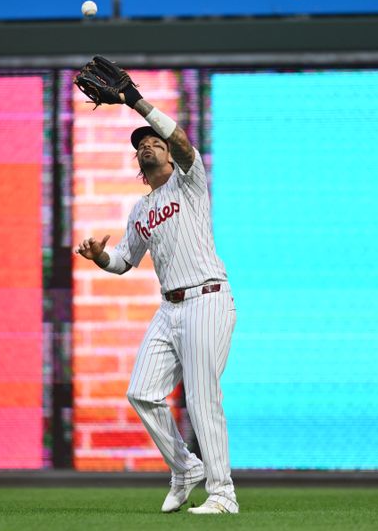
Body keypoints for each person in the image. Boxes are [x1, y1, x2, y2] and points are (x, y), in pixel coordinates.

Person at [74, 67, 238, 515]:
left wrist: (135, 101)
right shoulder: (141, 209)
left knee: (203, 397)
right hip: (169, 310)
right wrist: (98, 258)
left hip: (207, 298)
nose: (147, 145)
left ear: (169, 155)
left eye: (154, 142)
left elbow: (184, 142)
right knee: (142, 391)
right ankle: (185, 468)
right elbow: (124, 261)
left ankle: (223, 493)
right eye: (140, 144)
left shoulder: (190, 181)